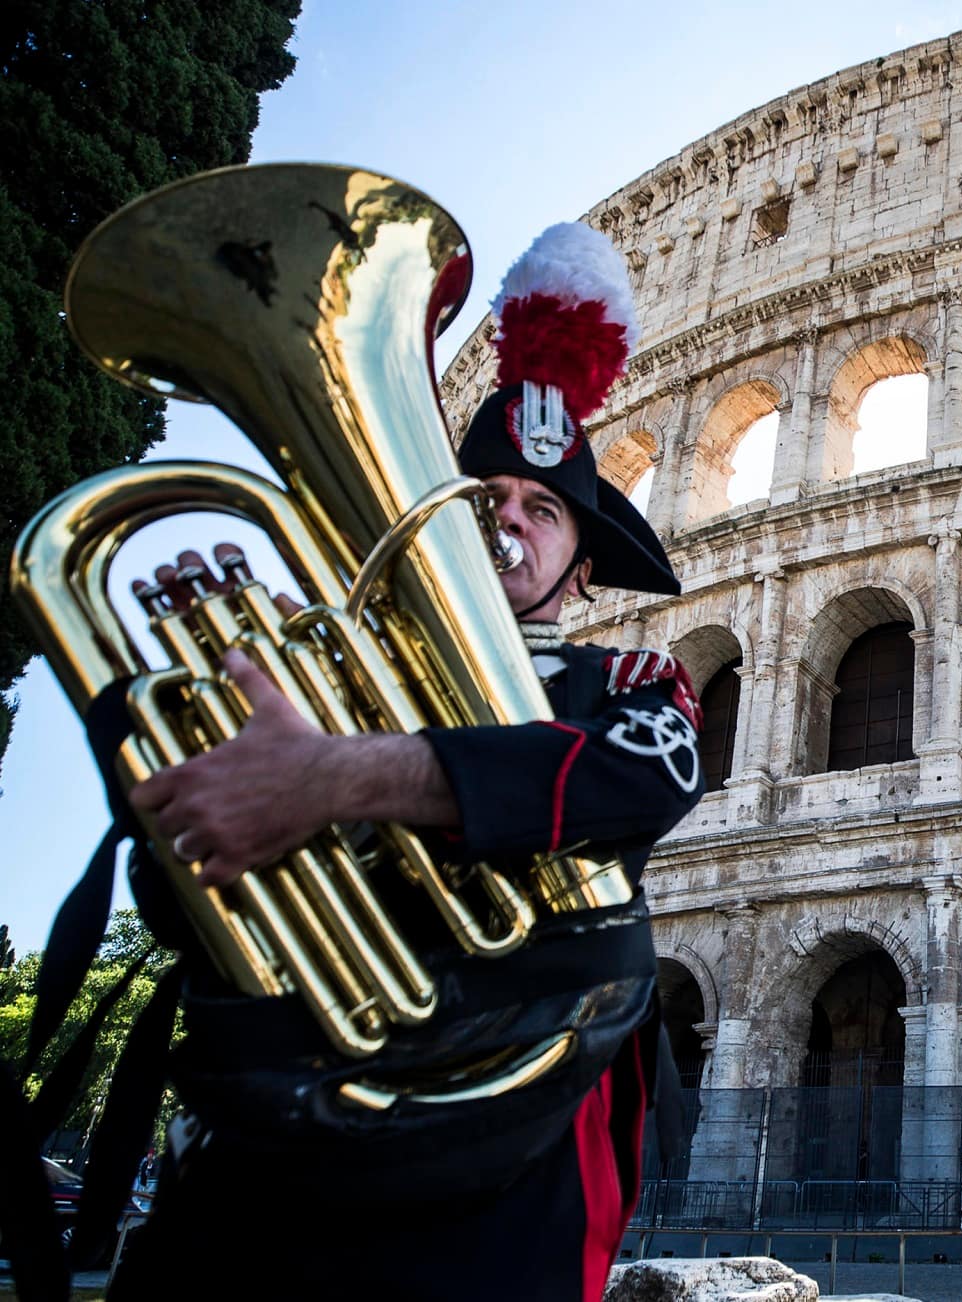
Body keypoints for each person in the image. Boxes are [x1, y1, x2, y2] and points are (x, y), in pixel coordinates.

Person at [105, 223, 703, 1301]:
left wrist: (340, 777)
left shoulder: (628, 687)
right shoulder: (327, 682)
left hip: (509, 1144)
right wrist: (213, 743)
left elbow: (649, 779)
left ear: (582, 563)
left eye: (541, 509)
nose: (507, 526)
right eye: (484, 503)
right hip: (281, 1124)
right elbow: (181, 887)